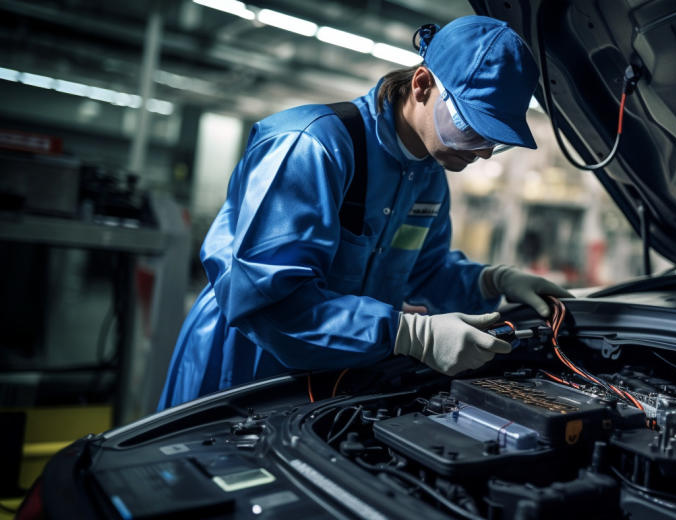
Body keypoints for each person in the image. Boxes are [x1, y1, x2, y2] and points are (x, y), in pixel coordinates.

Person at [157, 15, 571, 410]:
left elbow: (422, 273)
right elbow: (268, 302)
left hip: (335, 372)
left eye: (495, 142)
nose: (482, 152)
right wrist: (407, 334)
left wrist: (491, 281)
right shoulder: (311, 146)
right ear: (423, 84)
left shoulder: (428, 179)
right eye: (472, 127)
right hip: (244, 365)